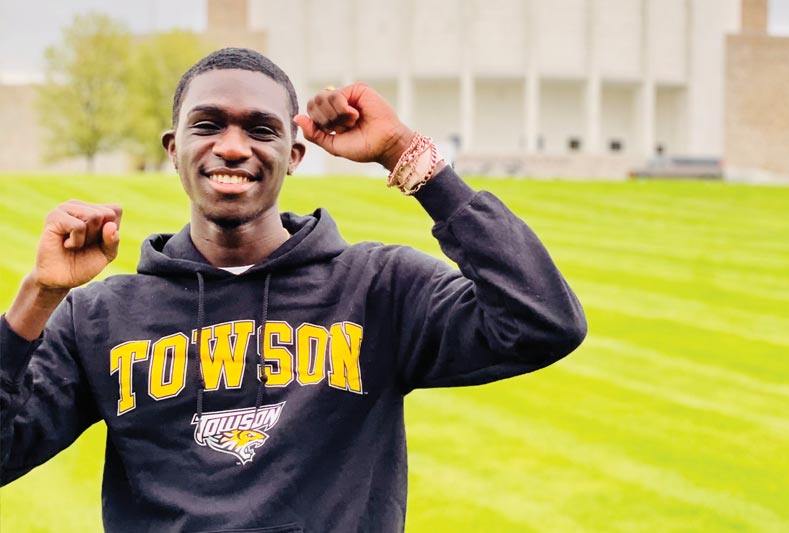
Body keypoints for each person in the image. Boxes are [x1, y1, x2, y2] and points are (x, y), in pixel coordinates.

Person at [0, 48, 586, 532]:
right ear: (173, 149)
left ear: (295, 155)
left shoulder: (379, 289)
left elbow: (542, 322)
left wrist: (408, 157)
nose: (233, 147)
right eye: (207, 125)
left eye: (261, 129)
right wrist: (38, 299)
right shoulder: (98, 317)